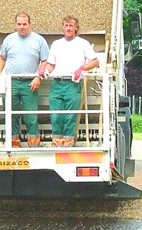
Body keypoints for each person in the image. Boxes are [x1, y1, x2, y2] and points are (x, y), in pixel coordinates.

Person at [39, 16, 99, 147]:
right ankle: (56, 141)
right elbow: (50, 64)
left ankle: (68, 141)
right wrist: (45, 71)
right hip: (57, 83)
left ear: (76, 28)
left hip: (73, 84)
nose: (68, 28)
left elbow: (95, 61)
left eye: (71, 26)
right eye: (66, 25)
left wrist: (82, 69)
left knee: (70, 115)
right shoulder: (56, 44)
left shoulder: (83, 43)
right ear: (62, 27)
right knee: (55, 115)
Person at [0, 12, 49, 148]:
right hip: (11, 82)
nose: (22, 27)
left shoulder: (39, 40)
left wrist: (39, 76)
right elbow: (2, 58)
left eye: (24, 24)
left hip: (30, 83)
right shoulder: (9, 40)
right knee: (10, 114)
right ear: (15, 25)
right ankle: (13, 143)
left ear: (30, 24)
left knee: (30, 116)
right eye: (19, 24)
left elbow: (45, 61)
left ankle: (34, 144)